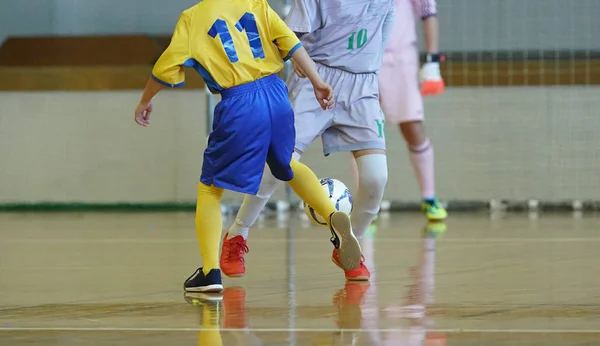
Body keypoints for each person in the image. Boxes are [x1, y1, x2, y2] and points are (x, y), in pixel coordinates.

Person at [133, 0, 362, 293]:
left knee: (210, 188)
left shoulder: (192, 18)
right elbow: (291, 44)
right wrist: (317, 82)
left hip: (240, 102)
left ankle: (209, 272)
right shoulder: (255, 3)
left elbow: (165, 69)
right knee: (287, 166)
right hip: (277, 95)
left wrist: (145, 100)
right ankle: (332, 217)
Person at [220, 0, 396, 282]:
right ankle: (237, 233)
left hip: (362, 87)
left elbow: (383, 38)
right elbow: (287, 37)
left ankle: (349, 246)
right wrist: (298, 61)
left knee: (377, 177)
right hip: (317, 78)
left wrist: (370, 80)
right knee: (279, 165)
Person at [356, 0, 447, 221]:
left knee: (412, 126)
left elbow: (428, 13)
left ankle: (429, 198)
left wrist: (432, 60)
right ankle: (366, 202)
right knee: (361, 131)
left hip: (400, 56)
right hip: (363, 56)